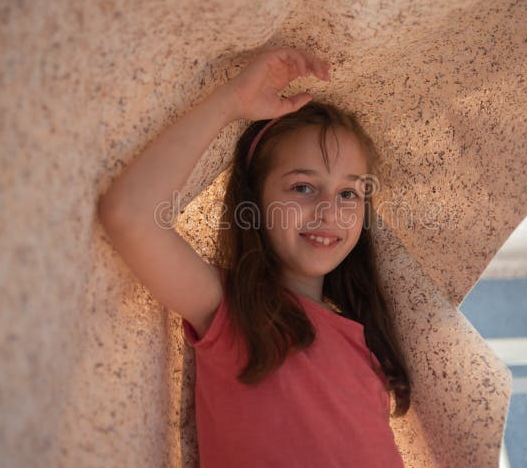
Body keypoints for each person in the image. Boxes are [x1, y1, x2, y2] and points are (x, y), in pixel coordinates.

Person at [97, 46, 411, 467]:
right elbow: (130, 214)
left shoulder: (366, 343)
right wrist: (232, 103)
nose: (329, 211)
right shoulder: (231, 311)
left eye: (349, 193)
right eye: (302, 187)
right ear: (255, 200)